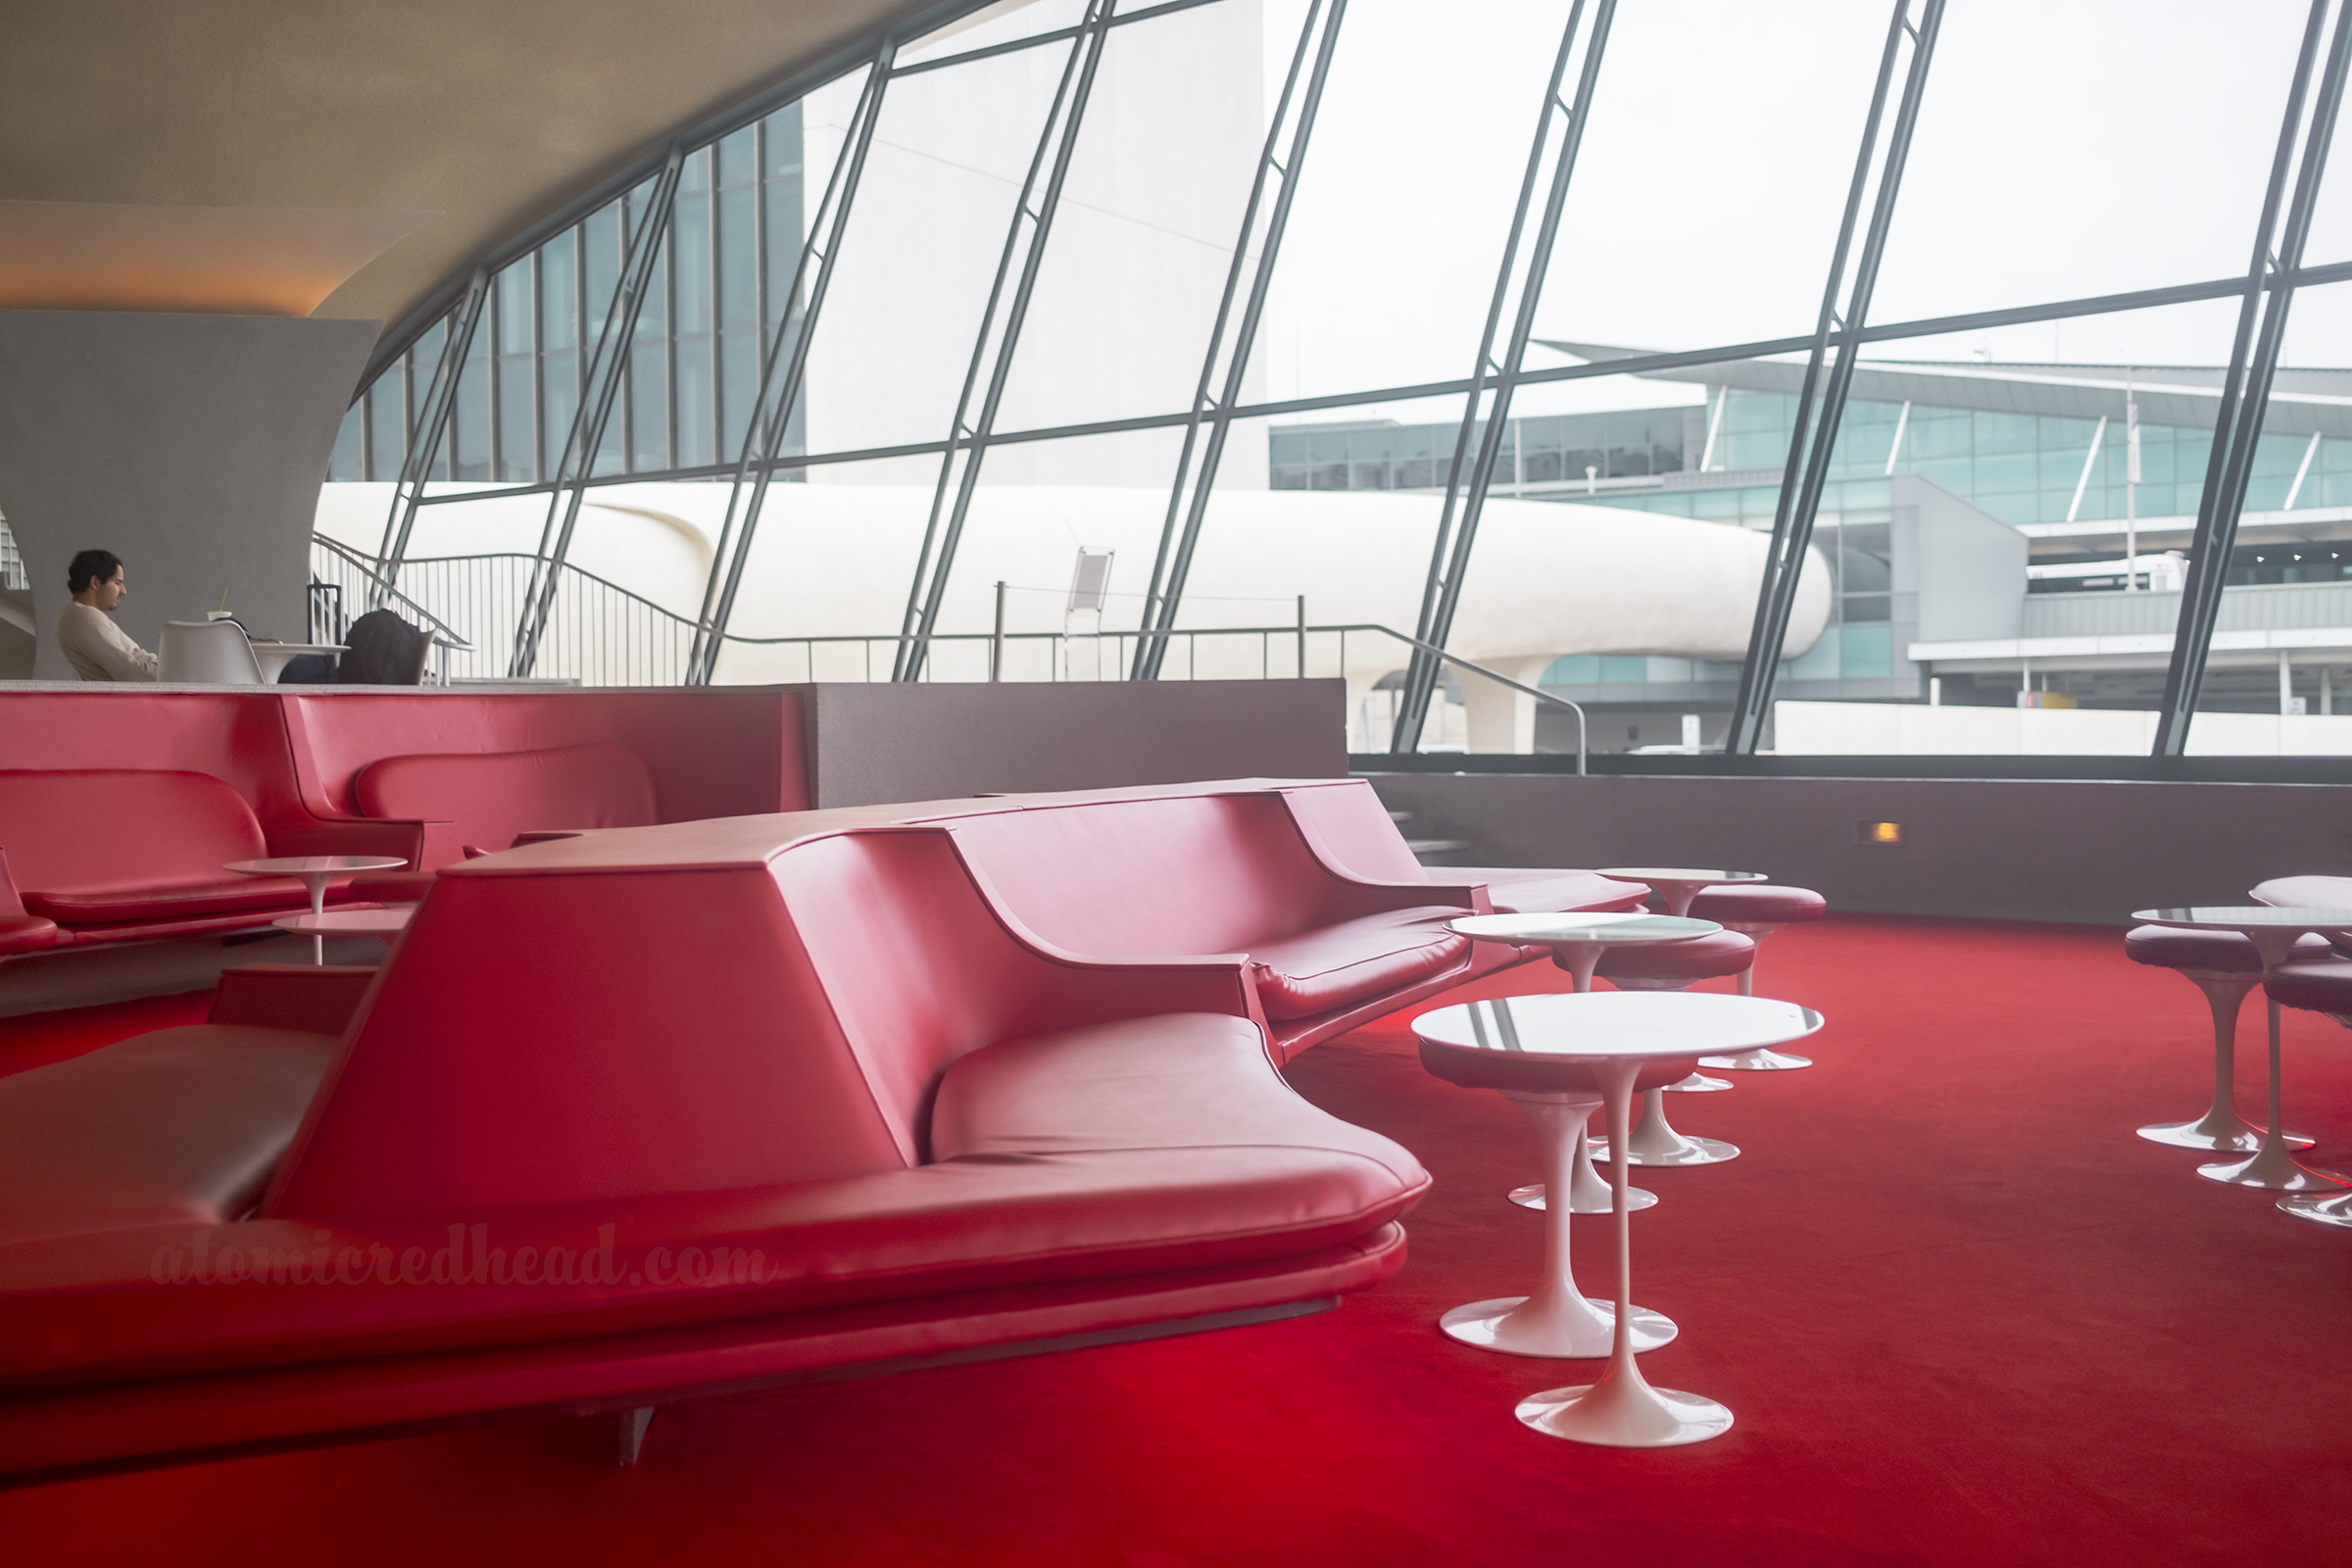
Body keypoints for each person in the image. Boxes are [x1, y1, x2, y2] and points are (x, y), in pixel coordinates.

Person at [57, 549, 158, 681]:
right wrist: (172, 670)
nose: (123, 591)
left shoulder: (77, 616)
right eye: (117, 583)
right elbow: (131, 673)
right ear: (95, 582)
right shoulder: (83, 617)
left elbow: (134, 664)